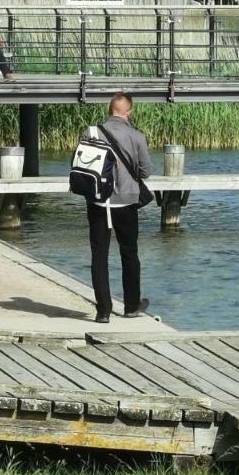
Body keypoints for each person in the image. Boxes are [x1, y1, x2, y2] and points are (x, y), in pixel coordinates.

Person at [86, 92, 152, 324]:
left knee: (99, 255)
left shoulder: (90, 132)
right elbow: (146, 172)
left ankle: (103, 311)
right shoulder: (136, 136)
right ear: (128, 112)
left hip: (98, 201)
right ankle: (132, 306)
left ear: (109, 109)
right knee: (129, 253)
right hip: (126, 201)